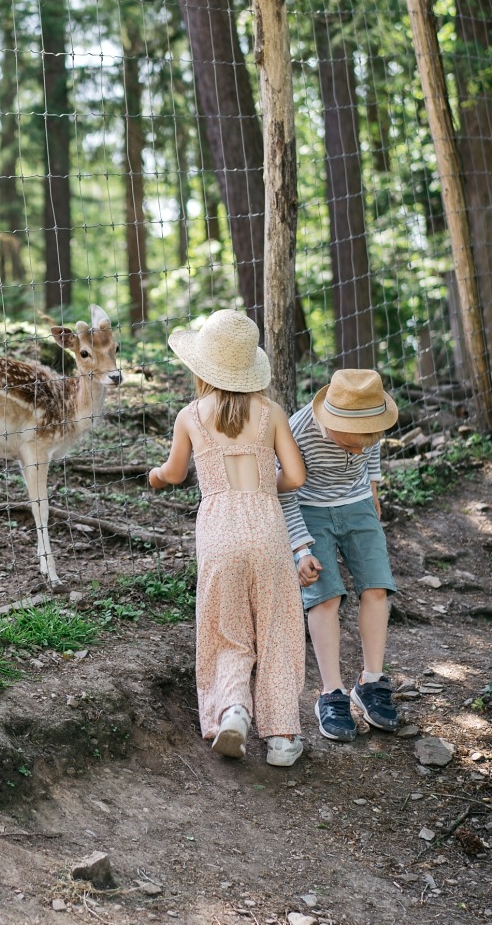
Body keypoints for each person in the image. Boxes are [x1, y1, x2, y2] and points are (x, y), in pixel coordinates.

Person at [148, 309, 310, 767]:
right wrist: (260, 486)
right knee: (278, 627)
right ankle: (281, 738)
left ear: (203, 368)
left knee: (227, 628)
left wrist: (157, 477)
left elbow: (176, 473)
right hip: (267, 529)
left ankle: (233, 710)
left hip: (219, 532)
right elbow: (295, 476)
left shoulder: (191, 417)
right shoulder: (271, 413)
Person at [277, 368, 400, 742]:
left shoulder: (368, 424)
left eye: (365, 443)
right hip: (310, 510)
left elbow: (372, 449)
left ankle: (371, 682)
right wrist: (301, 549)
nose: (357, 452)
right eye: (349, 447)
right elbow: (283, 492)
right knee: (325, 596)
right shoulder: (299, 431)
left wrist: (373, 490)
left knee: (377, 587)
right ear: (330, 423)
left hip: (358, 505)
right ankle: (331, 693)